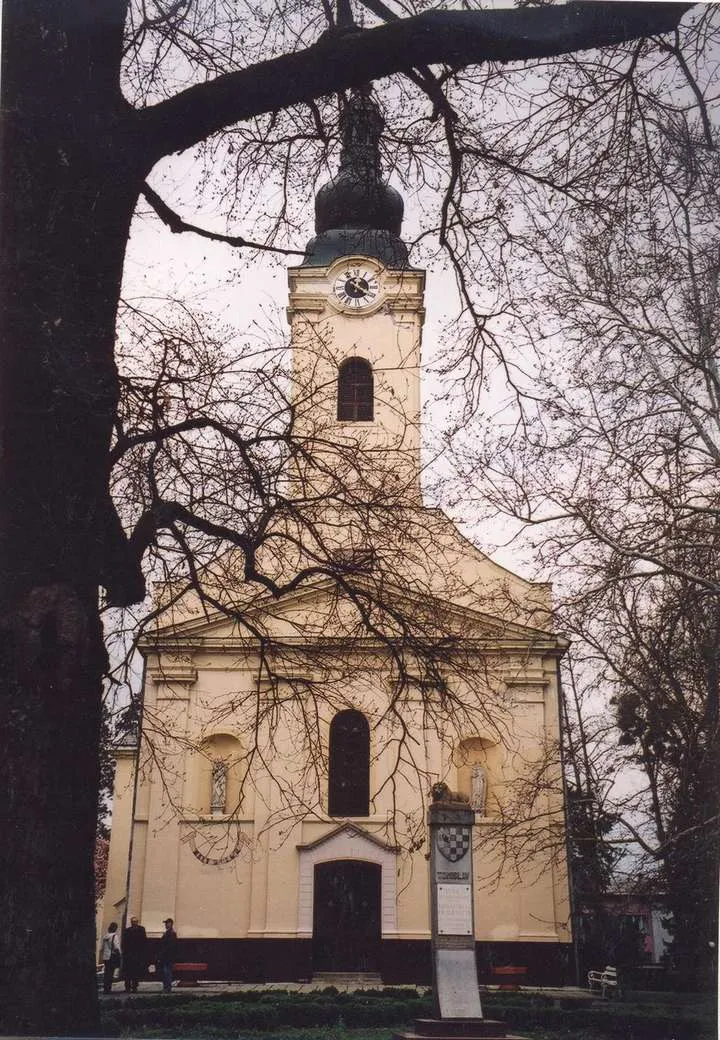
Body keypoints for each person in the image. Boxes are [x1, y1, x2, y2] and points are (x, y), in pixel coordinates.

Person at [122, 916, 148, 992]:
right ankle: (127, 987)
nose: (134, 923)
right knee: (128, 973)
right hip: (129, 955)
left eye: (135, 922)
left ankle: (134, 987)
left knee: (135, 972)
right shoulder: (127, 931)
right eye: (133, 922)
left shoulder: (141, 930)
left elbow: (144, 941)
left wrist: (142, 953)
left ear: (137, 922)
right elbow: (124, 942)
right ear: (131, 922)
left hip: (137, 954)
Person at [157, 917, 178, 993]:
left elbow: (169, 946)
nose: (165, 925)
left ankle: (167, 987)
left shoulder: (171, 933)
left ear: (170, 924)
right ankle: (166, 987)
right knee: (166, 972)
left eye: (167, 923)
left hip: (168, 956)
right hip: (166, 956)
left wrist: (161, 954)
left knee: (167, 972)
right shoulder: (168, 933)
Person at [100, 921, 121, 994]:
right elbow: (116, 947)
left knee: (106, 973)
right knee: (110, 973)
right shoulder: (115, 936)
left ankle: (106, 988)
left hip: (105, 956)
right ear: (115, 928)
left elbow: (102, 947)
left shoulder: (105, 936)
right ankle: (108, 989)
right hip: (112, 956)